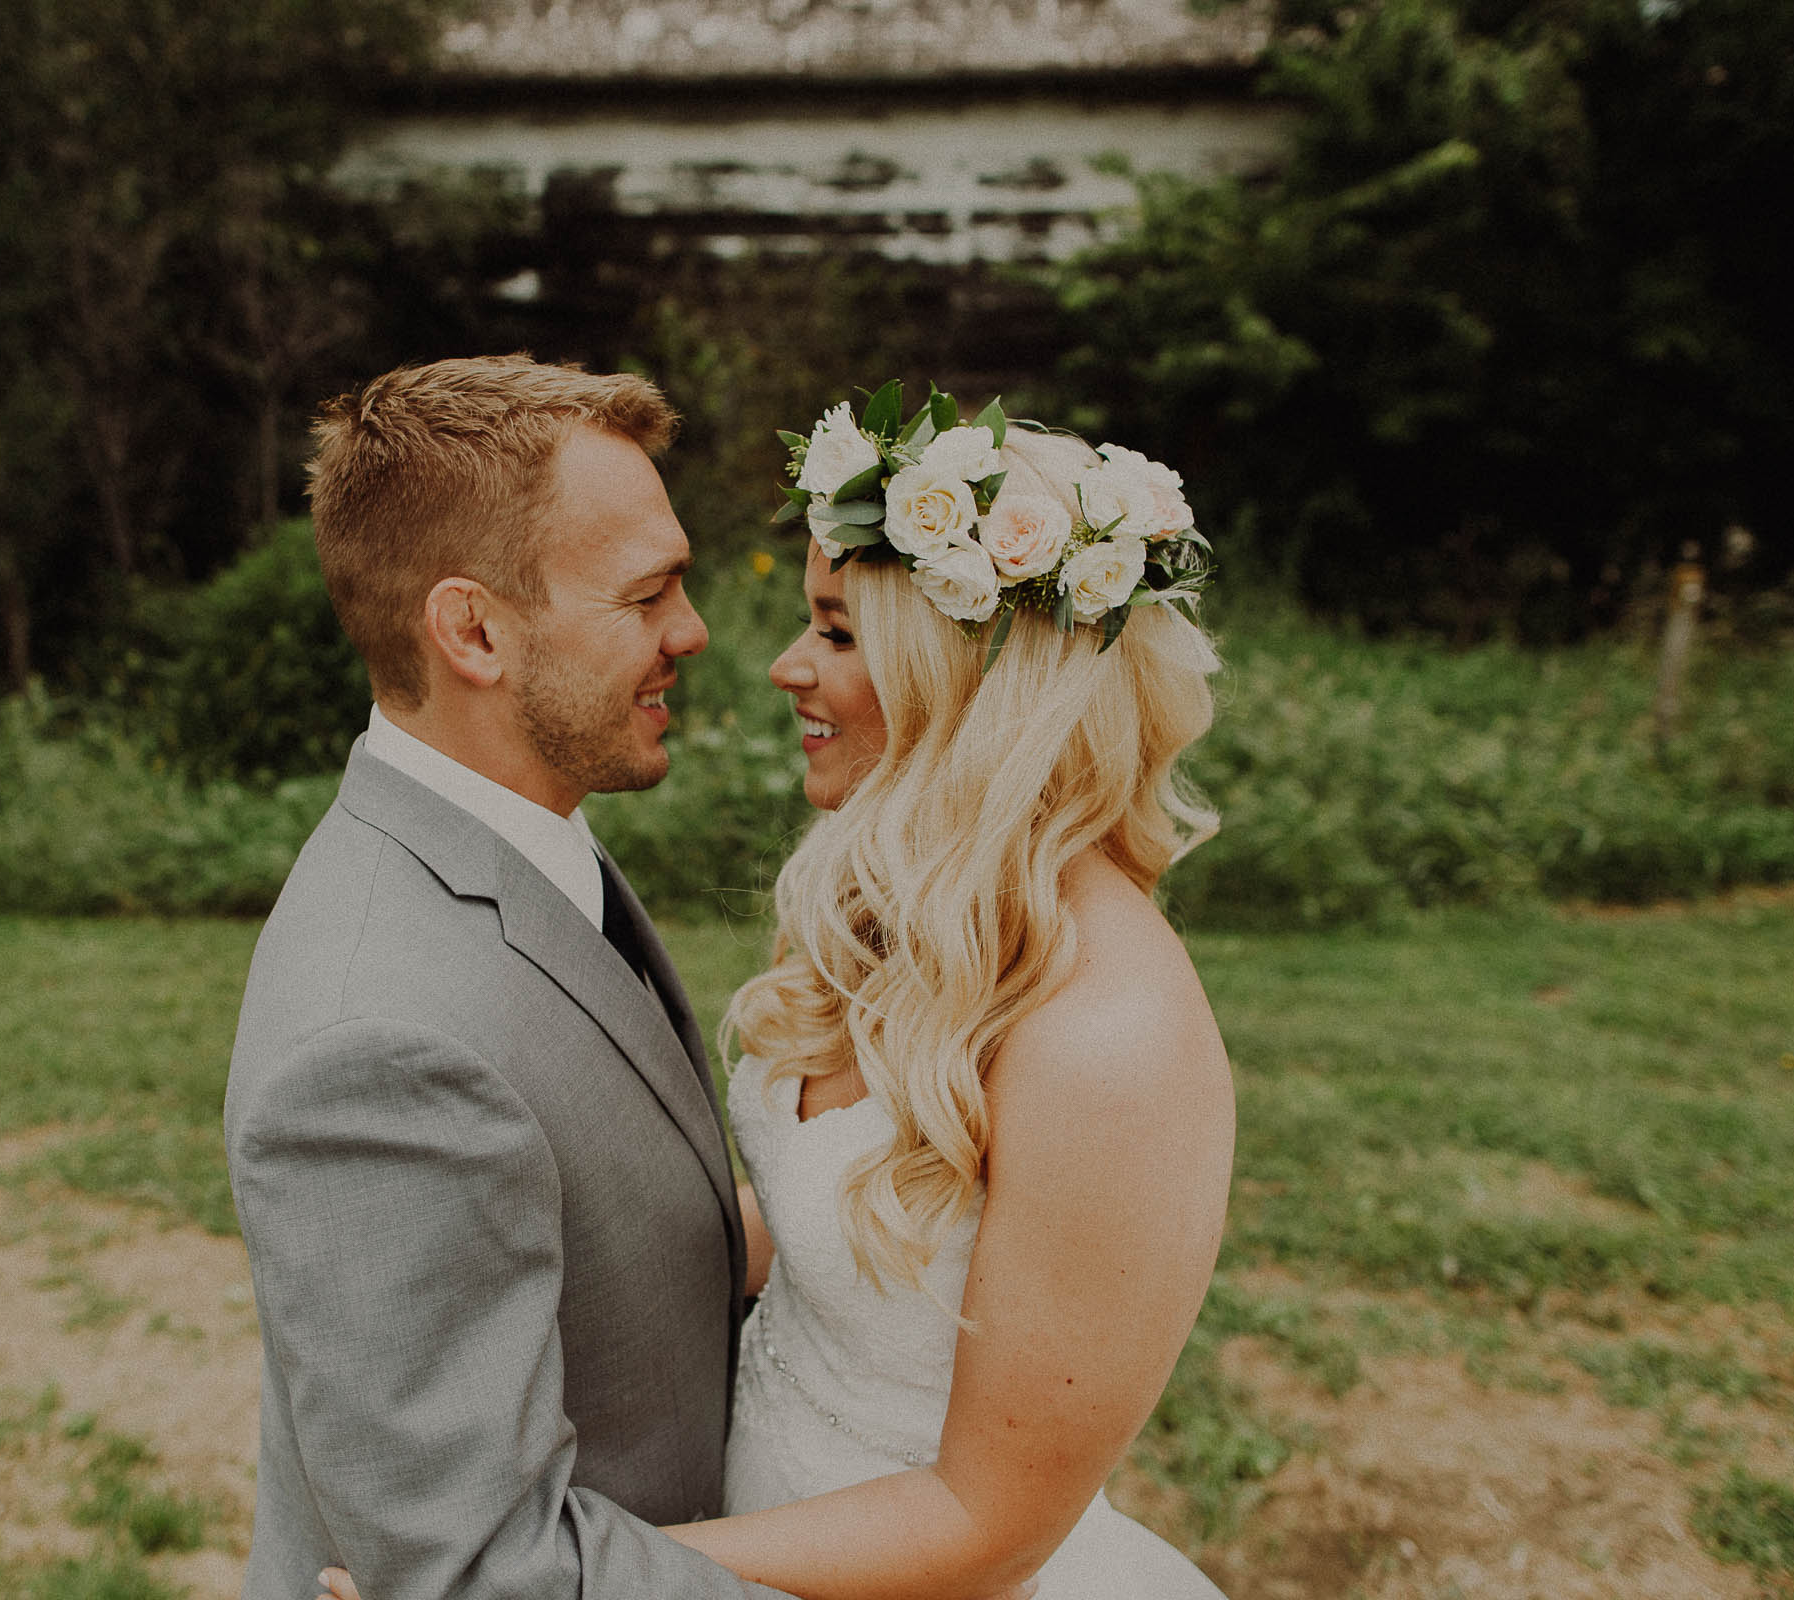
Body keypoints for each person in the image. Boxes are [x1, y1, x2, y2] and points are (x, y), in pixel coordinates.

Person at [316, 387, 1236, 1600]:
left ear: (972, 676)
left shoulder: (1106, 1034)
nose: (783, 666)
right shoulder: (901, 920)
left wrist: (543, 1579)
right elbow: (826, 1225)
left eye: (840, 634)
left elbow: (986, 1519)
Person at [222, 355, 793, 1600]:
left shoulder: (518, 839)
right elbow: (484, 1573)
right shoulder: (375, 1044)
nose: (692, 632)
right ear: (472, 629)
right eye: (647, 596)